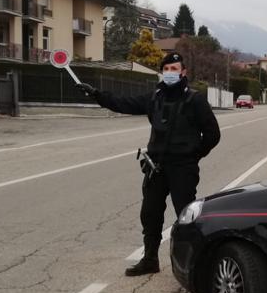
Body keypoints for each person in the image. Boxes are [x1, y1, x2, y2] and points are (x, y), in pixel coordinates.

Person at [77, 52, 220, 275]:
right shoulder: (155, 97)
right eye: (166, 69)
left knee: (186, 217)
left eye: (174, 69)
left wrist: (194, 155)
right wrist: (97, 95)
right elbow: (124, 103)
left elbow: (212, 134)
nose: (170, 73)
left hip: (182, 168)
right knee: (150, 214)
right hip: (156, 167)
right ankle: (150, 260)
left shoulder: (195, 99)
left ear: (183, 72)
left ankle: (193, 267)